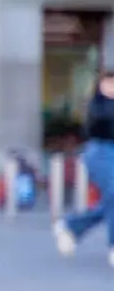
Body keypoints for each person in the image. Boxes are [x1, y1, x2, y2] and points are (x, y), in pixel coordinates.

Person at [54, 69, 114, 267]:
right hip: (100, 151)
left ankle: (72, 226)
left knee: (110, 201)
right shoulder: (97, 104)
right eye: (108, 83)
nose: (111, 87)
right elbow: (100, 121)